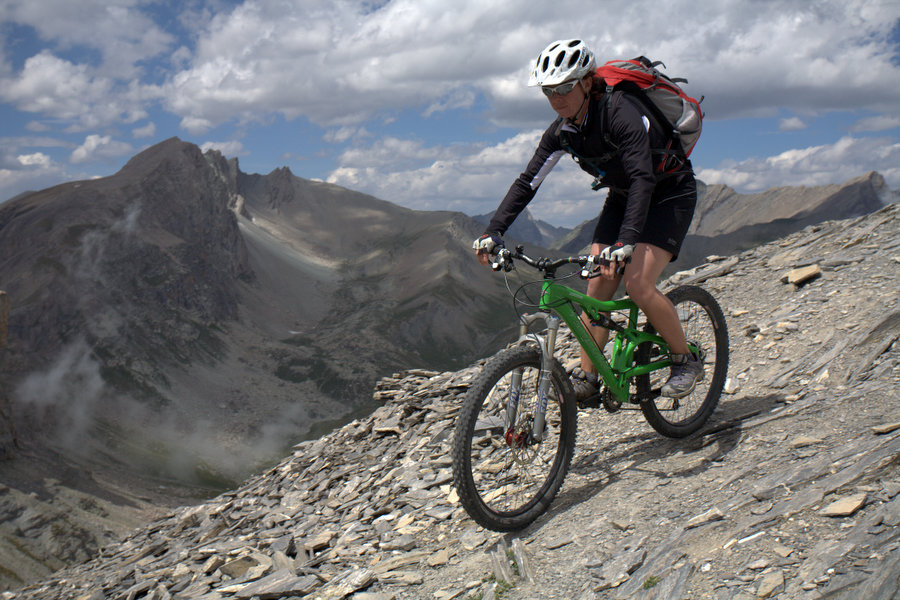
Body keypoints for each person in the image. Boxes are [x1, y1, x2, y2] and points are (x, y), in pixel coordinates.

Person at [473, 39, 704, 403]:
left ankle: (685, 359)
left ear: (586, 82)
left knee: (639, 284)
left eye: (565, 87)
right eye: (549, 91)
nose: (557, 98)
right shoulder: (561, 131)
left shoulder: (620, 113)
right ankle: (589, 377)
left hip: (668, 193)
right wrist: (493, 230)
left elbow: (643, 177)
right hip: (622, 196)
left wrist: (626, 242)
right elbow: (527, 182)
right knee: (597, 286)